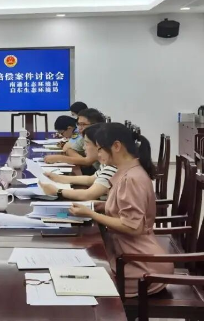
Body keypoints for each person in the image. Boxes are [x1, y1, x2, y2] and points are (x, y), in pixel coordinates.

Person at [68, 123, 173, 297]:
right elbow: (124, 209)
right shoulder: (127, 172)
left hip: (141, 265)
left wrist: (91, 214)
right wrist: (99, 206)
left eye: (100, 148)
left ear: (116, 146)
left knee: (79, 282)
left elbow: (131, 226)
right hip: (130, 255)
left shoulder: (131, 178)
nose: (98, 153)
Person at [39, 124, 117, 201]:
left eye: (86, 143)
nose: (83, 147)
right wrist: (57, 178)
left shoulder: (112, 167)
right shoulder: (107, 164)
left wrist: (57, 191)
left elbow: (88, 195)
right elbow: (91, 179)